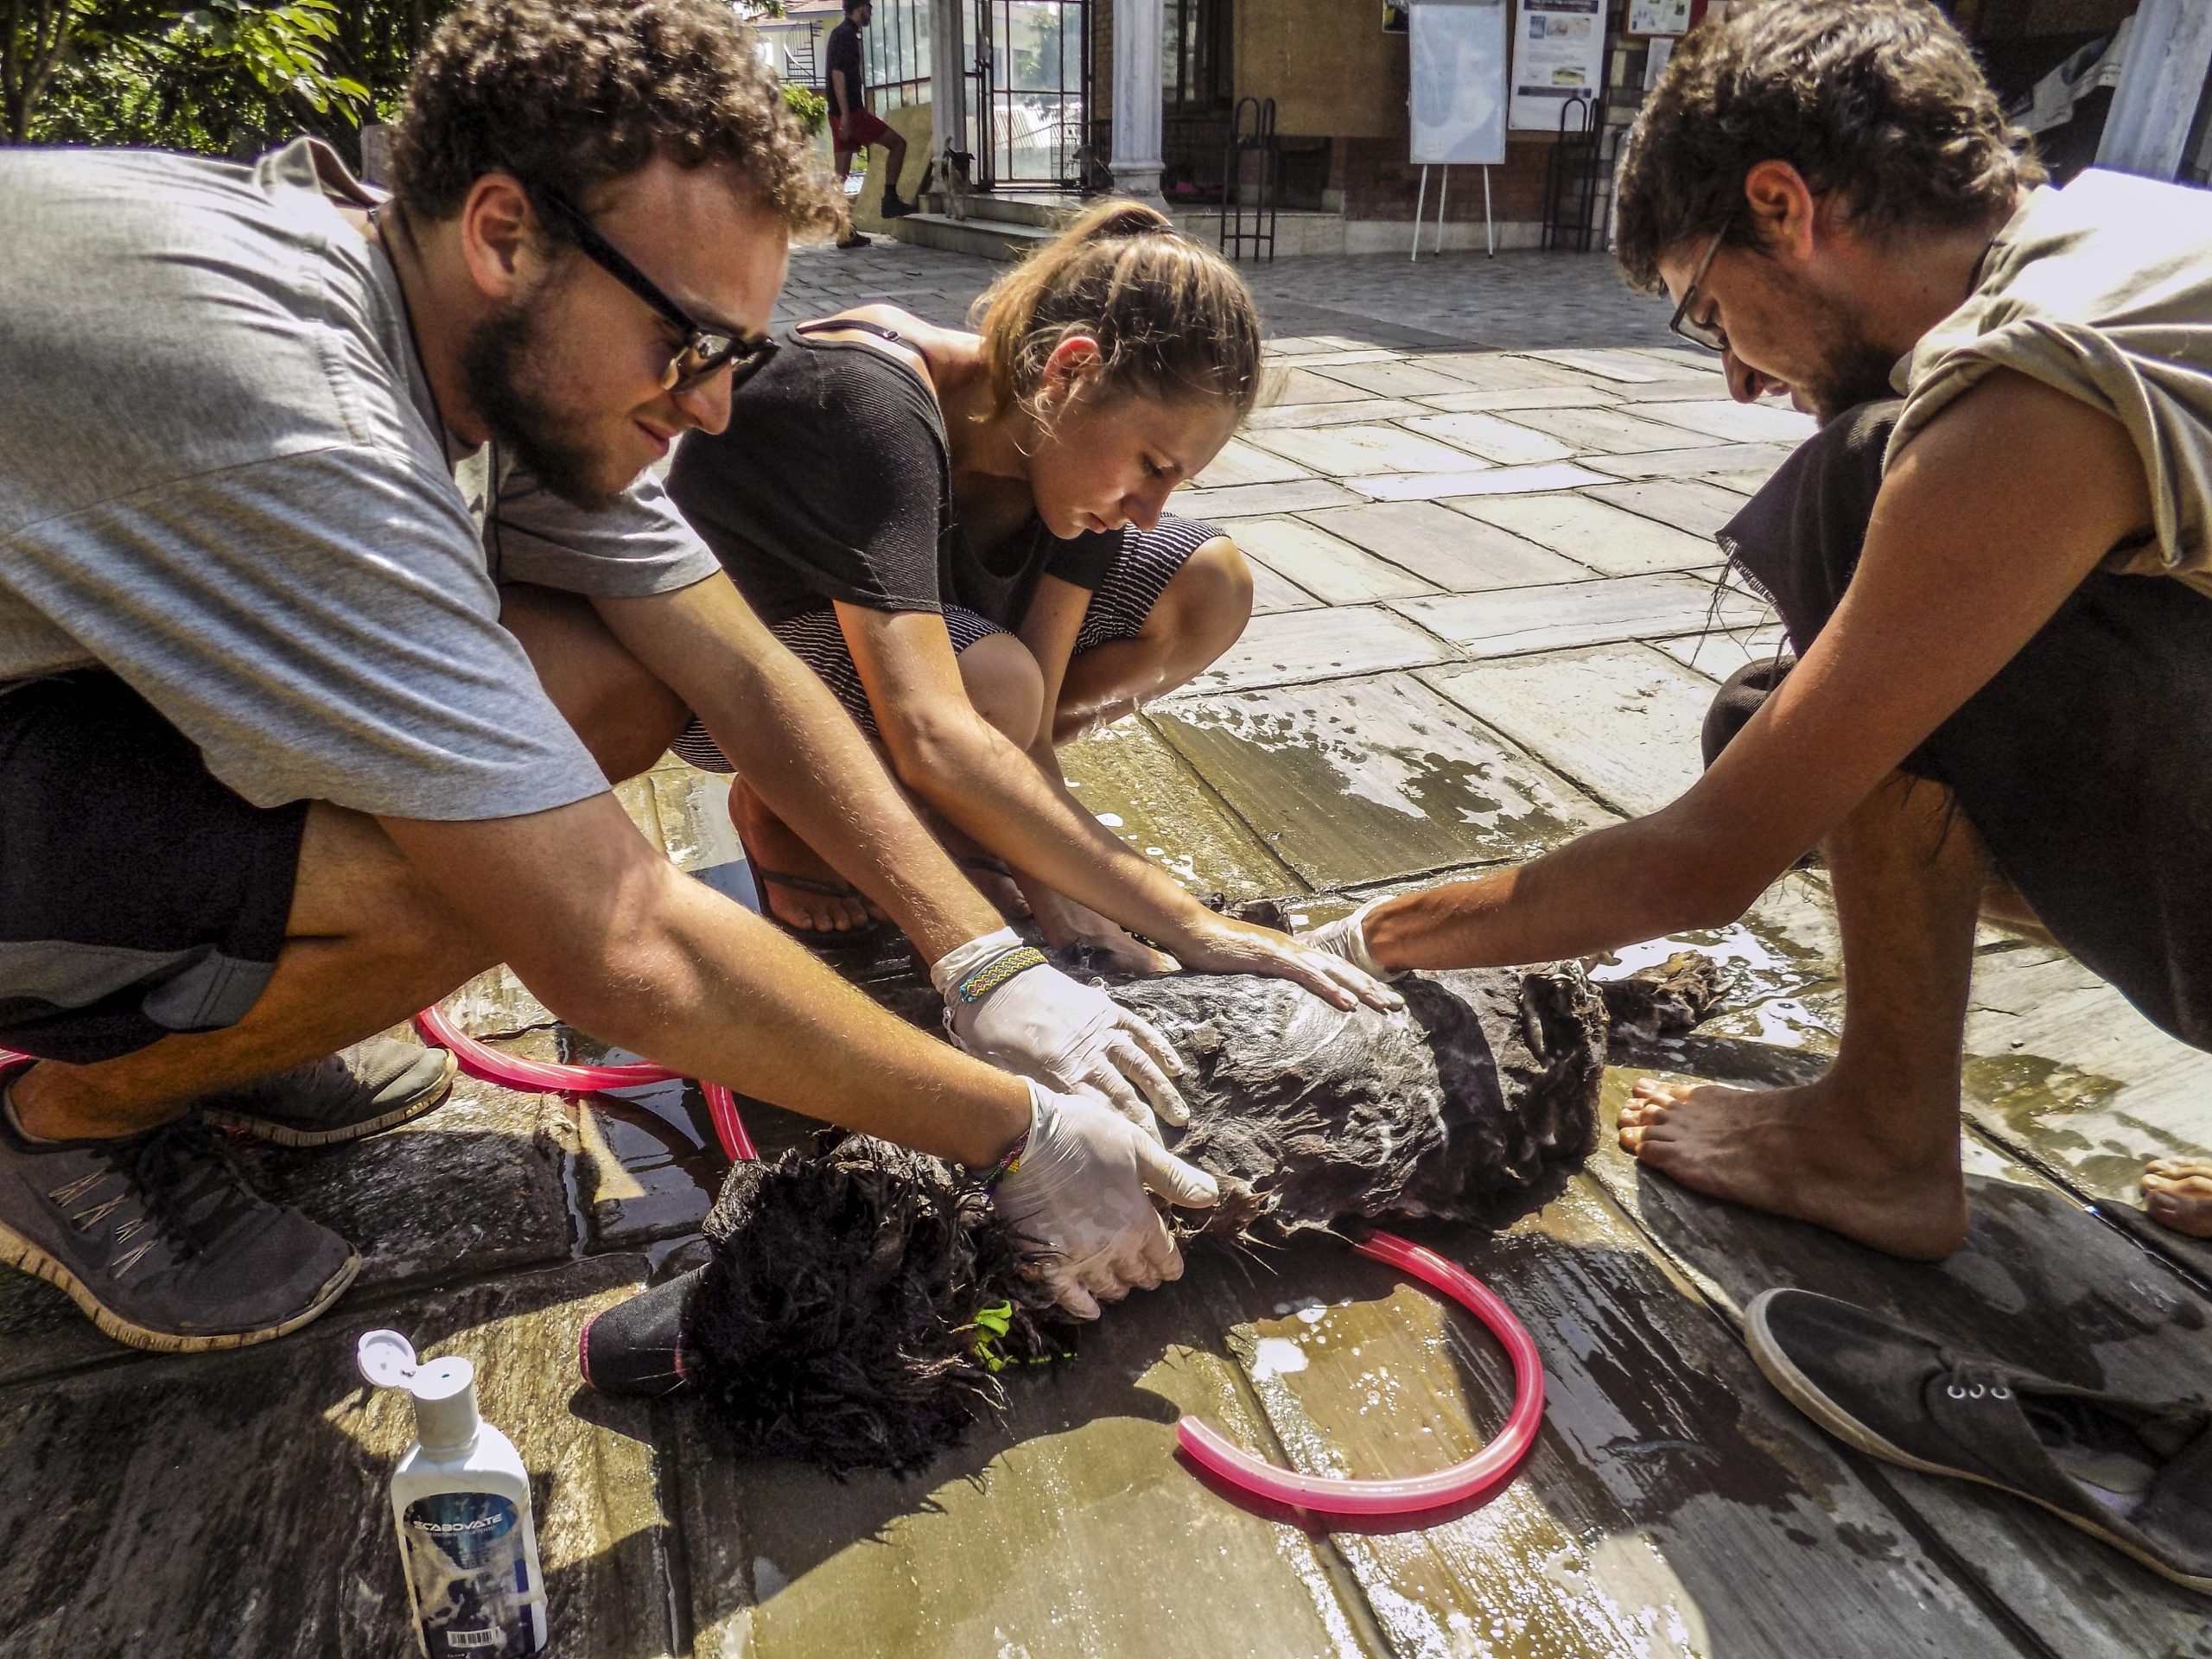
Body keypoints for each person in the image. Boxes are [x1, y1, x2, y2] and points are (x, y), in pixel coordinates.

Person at [0, 0, 1384, 1355]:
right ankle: (71, 1127)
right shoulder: (311, 425)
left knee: (603, 678)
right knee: (474, 878)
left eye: (740, 352)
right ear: (504, 234)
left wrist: (987, 955)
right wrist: (1012, 1128)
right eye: (695, 345)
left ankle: (221, 1016)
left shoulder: (433, 311)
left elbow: (729, 663)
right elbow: (613, 936)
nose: (718, 406)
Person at [1306, 0, 2212, 1255]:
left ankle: (1880, 1142)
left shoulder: (2037, 375)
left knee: (1851, 482)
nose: (1733, 377)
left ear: (1785, 208)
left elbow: (1704, 865)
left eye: (1707, 309)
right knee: (1769, 720)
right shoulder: (2131, 229)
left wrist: (1358, 937)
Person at [664, 201, 1290, 979]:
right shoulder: (865, 397)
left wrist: (1072, 906)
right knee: (991, 680)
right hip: (728, 685)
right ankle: (783, 807)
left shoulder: (1068, 466)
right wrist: (1182, 919)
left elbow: (1023, 733)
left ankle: (962, 813)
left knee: (1209, 585)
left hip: (936, 664)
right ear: (1068, 370)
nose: (1149, 509)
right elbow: (935, 728)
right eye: (1151, 466)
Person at [824, 0, 914, 250]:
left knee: (840, 175)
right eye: (869, 7)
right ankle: (890, 199)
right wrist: (846, 115)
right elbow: (838, 74)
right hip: (851, 113)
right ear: (859, 7)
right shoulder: (846, 35)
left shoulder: (843, 34)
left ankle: (843, 231)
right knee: (898, 144)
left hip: (839, 113)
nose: (871, 12)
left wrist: (839, 114)